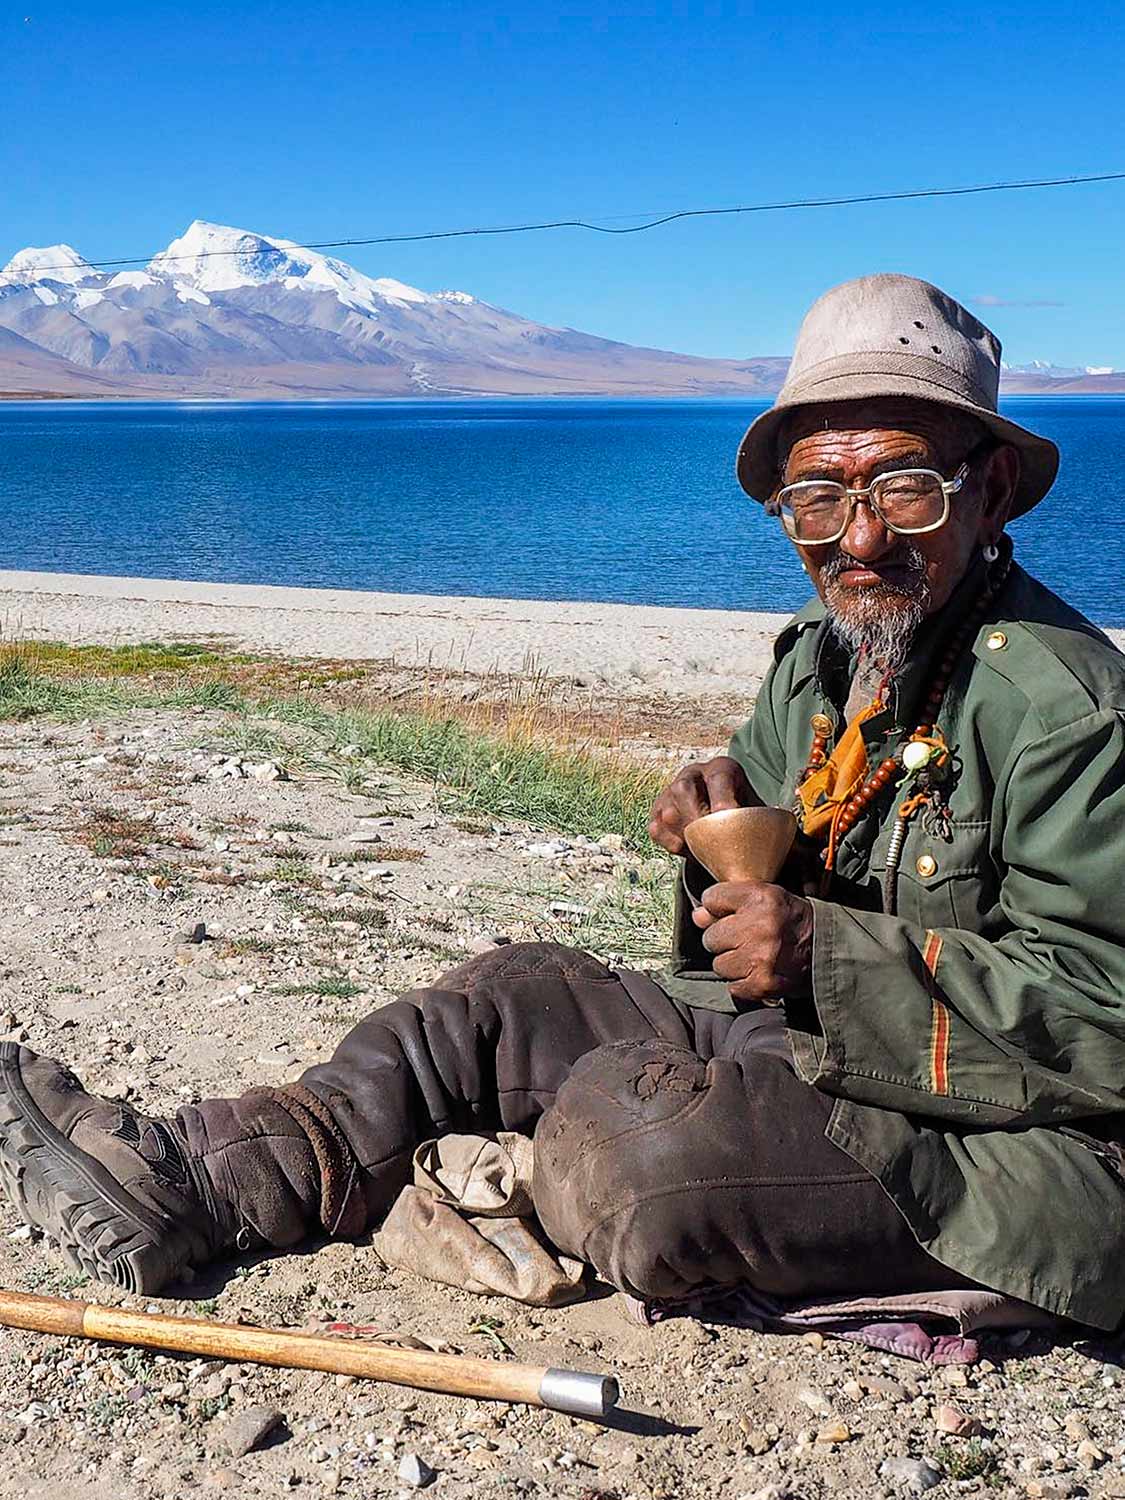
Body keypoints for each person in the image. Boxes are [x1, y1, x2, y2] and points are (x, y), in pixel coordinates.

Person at [2, 274, 1124, 1332]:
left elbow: (1107, 1021)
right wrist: (716, 835)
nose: (860, 538)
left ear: (995, 487)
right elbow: (757, 923)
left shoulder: (1065, 710)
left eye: (904, 488)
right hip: (814, 1049)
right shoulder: (826, 665)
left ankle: (529, 1170)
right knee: (508, 996)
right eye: (819, 499)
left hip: (1026, 1140)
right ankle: (208, 1176)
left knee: (647, 1146)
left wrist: (823, 956)